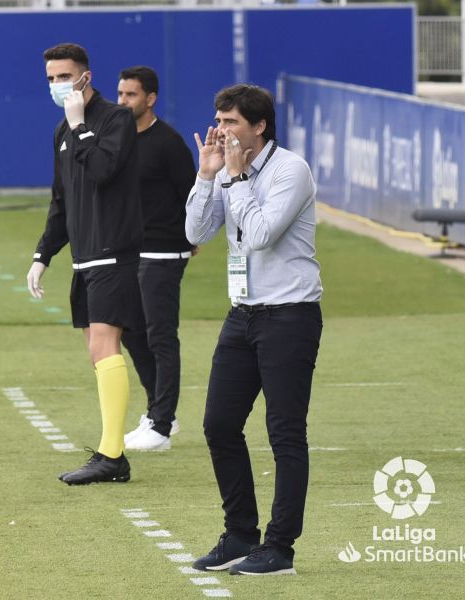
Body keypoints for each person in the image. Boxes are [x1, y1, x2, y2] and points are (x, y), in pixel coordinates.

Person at [185, 84, 322, 575]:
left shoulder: (291, 170)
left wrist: (237, 178)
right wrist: (207, 177)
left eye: (231, 123)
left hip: (290, 314)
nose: (222, 132)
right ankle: (240, 534)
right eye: (219, 122)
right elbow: (195, 233)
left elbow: (261, 234)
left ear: (259, 126)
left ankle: (280, 547)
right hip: (242, 314)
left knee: (285, 434)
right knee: (218, 425)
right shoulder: (225, 170)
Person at [27, 43, 143, 485]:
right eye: (51, 78)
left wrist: (79, 126)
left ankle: (112, 455)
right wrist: (43, 255)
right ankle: (111, 452)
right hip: (84, 257)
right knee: (95, 351)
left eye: (64, 77)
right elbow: (62, 201)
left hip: (114, 251)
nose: (57, 86)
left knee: (103, 346)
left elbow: (103, 171)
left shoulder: (115, 120)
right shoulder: (61, 132)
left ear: (85, 77)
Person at [116, 65, 197, 452]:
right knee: (131, 331)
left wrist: (193, 236)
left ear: (150, 98)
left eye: (130, 95)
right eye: (120, 94)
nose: (122, 101)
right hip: (131, 249)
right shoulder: (119, 138)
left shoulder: (168, 142)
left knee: (160, 334)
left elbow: (193, 191)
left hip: (165, 249)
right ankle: (157, 412)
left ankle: (162, 426)